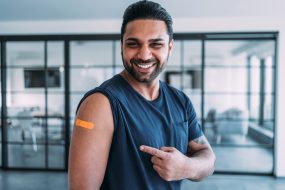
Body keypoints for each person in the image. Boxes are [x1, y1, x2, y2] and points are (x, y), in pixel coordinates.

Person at [68, 1, 216, 189]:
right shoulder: (99, 104)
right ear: (121, 45)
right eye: (133, 44)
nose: (144, 55)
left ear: (170, 47)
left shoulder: (180, 101)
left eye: (155, 44)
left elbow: (207, 156)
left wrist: (187, 167)